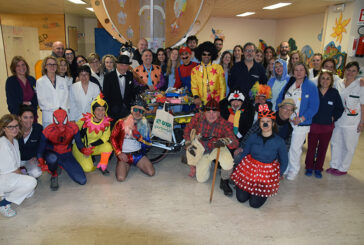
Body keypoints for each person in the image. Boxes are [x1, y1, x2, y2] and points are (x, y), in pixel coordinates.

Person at [231, 108, 288, 208]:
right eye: (262, 121)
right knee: (241, 198)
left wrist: (278, 175)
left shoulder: (279, 141)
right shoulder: (253, 137)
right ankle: (248, 188)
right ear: (259, 123)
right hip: (250, 170)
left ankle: (256, 192)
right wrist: (238, 169)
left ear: (273, 123)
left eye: (268, 121)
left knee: (254, 204)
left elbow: (284, 161)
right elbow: (245, 153)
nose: (265, 124)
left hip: (265, 175)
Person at [184, 99, 239, 196]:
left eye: (214, 112)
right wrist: (188, 142)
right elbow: (187, 129)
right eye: (208, 112)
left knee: (228, 162)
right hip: (202, 149)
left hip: (216, 147)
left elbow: (235, 142)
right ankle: (202, 164)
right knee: (201, 179)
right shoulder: (198, 117)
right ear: (204, 112)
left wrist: (225, 141)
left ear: (219, 113)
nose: (211, 115)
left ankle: (224, 181)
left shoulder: (223, 123)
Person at [276, 62, 319, 180]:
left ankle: (293, 170)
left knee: (295, 148)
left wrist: (301, 119)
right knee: (285, 146)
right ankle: (284, 168)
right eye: (296, 70)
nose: (298, 72)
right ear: (293, 72)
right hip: (286, 120)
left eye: (301, 70)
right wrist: (279, 112)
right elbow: (281, 98)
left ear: (306, 72)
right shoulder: (290, 83)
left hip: (301, 123)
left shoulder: (311, 86)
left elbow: (314, 106)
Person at [37, 109, 94, 191]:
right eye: (58, 122)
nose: (61, 126)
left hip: (67, 154)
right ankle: (54, 174)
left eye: (63, 122)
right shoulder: (47, 131)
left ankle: (59, 165)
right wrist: (42, 162)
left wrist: (84, 150)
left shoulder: (73, 127)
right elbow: (40, 150)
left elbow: (79, 144)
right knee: (52, 159)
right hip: (52, 153)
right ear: (54, 120)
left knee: (82, 180)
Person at [305, 70, 344, 178]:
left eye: (328, 78)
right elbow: (308, 105)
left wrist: (333, 117)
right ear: (319, 80)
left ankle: (318, 168)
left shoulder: (334, 93)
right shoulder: (314, 91)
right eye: (323, 78)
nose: (325, 81)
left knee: (323, 148)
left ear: (331, 80)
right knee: (311, 148)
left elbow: (340, 108)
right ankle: (309, 167)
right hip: (314, 125)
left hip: (327, 126)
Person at [328, 62, 364, 176]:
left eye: (353, 71)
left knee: (349, 146)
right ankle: (334, 165)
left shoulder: (360, 85)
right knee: (335, 143)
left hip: (352, 122)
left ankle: (343, 168)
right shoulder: (338, 83)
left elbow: (363, 105)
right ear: (345, 70)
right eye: (348, 70)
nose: (350, 73)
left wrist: (362, 122)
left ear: (357, 73)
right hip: (338, 119)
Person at [0, 114, 37, 217]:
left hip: (9, 176)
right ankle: (4, 204)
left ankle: (6, 194)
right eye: (10, 127)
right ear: (4, 128)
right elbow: (13, 170)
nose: (14, 129)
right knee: (32, 182)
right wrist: (25, 176)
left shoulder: (14, 141)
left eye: (16, 126)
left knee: (30, 192)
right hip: (4, 177)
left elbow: (16, 163)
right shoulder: (3, 143)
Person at [111, 97, 154, 181]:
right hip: (124, 154)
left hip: (138, 154)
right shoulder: (121, 122)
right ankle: (126, 164)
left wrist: (140, 138)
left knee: (151, 172)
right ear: (132, 109)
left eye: (141, 111)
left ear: (143, 113)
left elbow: (149, 144)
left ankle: (135, 163)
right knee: (120, 178)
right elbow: (113, 138)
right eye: (136, 110)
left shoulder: (145, 125)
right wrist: (119, 153)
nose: (138, 113)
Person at [72, 94, 113, 175]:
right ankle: (78, 157)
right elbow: (75, 133)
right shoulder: (84, 121)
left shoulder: (106, 122)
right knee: (88, 168)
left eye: (103, 110)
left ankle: (102, 166)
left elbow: (105, 137)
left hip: (93, 146)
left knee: (108, 147)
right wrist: (83, 149)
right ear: (93, 110)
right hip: (81, 147)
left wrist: (92, 144)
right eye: (98, 109)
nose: (100, 113)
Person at [103, 55, 146, 126]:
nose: (124, 68)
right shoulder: (108, 77)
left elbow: (131, 91)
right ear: (117, 64)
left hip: (127, 111)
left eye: (126, 65)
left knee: (127, 132)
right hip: (113, 112)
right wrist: (108, 112)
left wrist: (139, 90)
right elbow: (106, 95)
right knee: (114, 133)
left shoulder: (130, 75)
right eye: (121, 65)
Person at [191, 41, 226, 108]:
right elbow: (194, 87)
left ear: (212, 55)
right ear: (200, 55)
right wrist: (196, 97)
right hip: (201, 104)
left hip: (216, 104)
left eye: (209, 54)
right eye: (204, 54)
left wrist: (221, 103)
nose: (206, 56)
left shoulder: (218, 68)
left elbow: (223, 87)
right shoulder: (195, 70)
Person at [36, 56, 69, 127]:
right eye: (49, 64)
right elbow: (41, 101)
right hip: (49, 116)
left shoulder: (62, 80)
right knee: (50, 136)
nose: (52, 66)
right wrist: (56, 109)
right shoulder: (40, 82)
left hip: (62, 115)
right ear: (45, 66)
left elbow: (66, 97)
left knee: (63, 136)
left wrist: (61, 109)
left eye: (54, 64)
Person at [18, 105, 43, 178]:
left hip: (30, 159)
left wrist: (36, 156)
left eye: (31, 117)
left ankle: (25, 173)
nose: (28, 120)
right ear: (19, 118)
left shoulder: (38, 128)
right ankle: (22, 172)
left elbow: (42, 146)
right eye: (25, 117)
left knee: (37, 173)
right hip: (17, 160)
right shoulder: (14, 129)